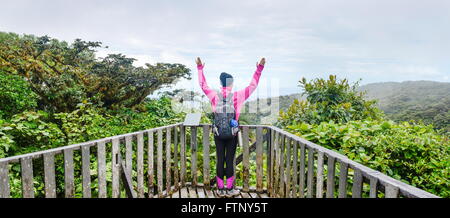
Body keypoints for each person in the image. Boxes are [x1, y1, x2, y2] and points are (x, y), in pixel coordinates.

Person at [196, 57, 265, 197]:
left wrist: (200, 68)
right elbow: (253, 86)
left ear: (221, 83)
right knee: (230, 159)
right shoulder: (238, 95)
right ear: (231, 83)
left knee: (220, 159)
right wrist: (259, 69)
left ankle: (220, 190)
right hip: (232, 134)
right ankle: (230, 189)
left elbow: (203, 85)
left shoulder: (214, 95)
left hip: (218, 133)